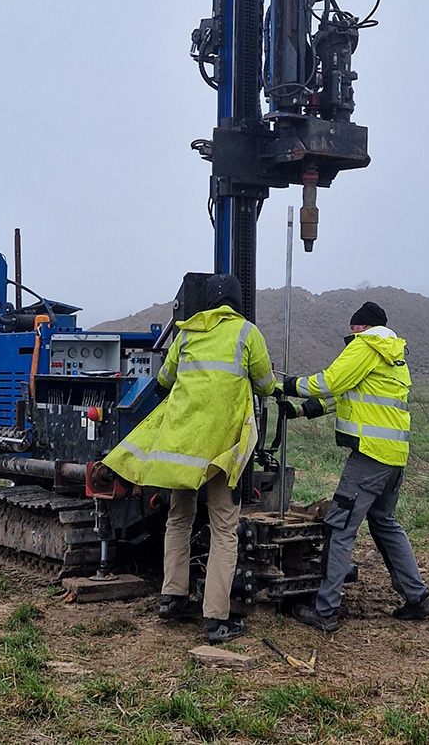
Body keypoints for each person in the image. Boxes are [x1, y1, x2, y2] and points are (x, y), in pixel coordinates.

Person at [102, 273, 275, 644]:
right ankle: (216, 619)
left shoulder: (186, 333)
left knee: (178, 519)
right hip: (221, 452)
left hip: (182, 451)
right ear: (237, 302)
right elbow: (265, 384)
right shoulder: (247, 333)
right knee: (225, 531)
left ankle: (171, 598)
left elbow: (164, 380)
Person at [280, 300, 429, 632]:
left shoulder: (365, 346)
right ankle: (418, 598)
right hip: (394, 458)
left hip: (369, 457)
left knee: (340, 527)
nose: (349, 335)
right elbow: (348, 394)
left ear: (362, 327)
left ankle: (325, 611)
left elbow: (330, 383)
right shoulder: (391, 354)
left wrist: (287, 386)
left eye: (353, 329)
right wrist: (301, 411)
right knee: (385, 523)